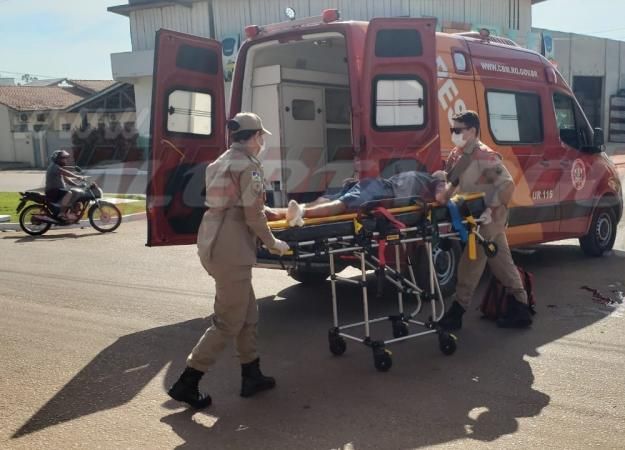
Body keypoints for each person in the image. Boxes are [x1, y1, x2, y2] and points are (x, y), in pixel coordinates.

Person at [168, 112, 291, 409]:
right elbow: (252, 214)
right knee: (228, 321)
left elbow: (237, 204)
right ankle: (188, 381)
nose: (262, 142)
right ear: (254, 137)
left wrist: (264, 211)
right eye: (261, 136)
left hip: (213, 240)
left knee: (248, 315)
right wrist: (274, 243)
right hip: (232, 250)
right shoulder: (249, 166)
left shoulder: (220, 161)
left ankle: (251, 374)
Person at [437, 110, 532, 330]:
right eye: (452, 129)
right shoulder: (458, 154)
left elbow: (507, 185)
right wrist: (441, 193)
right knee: (502, 263)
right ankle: (520, 306)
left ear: (472, 131)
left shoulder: (484, 156)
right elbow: (452, 181)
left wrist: (490, 209)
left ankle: (457, 311)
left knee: (470, 262)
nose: (454, 133)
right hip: (473, 217)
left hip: (488, 218)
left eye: (458, 130)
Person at [274, 170, 448, 227]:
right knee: (336, 201)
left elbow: (441, 198)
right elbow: (441, 196)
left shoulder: (433, 181)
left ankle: (290, 213)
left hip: (380, 189)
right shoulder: (433, 179)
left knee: (337, 201)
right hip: (381, 188)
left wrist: (442, 181)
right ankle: (288, 212)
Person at [45, 150, 85, 220]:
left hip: (57, 191)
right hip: (53, 191)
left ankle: (71, 214)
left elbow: (66, 179)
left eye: (65, 158)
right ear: (57, 159)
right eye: (63, 158)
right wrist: (77, 177)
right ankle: (62, 213)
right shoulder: (54, 166)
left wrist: (77, 185)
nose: (65, 160)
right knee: (69, 193)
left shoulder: (57, 167)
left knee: (75, 196)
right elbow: (65, 172)